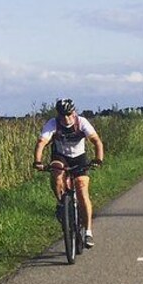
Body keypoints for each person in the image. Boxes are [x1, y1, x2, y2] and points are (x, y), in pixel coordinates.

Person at [33, 98, 104, 248]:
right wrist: (38, 161)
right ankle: (61, 203)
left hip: (79, 158)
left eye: (69, 114)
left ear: (74, 112)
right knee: (57, 173)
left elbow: (96, 141)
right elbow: (42, 143)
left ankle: (88, 232)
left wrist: (98, 159)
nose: (66, 118)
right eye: (62, 115)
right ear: (58, 114)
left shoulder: (82, 122)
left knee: (82, 189)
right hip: (61, 157)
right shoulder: (53, 123)